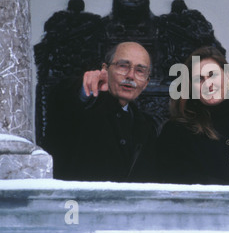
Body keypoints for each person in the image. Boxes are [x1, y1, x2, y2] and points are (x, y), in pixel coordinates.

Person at [153, 46, 229, 185]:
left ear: (227, 77)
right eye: (199, 79)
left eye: (212, 75)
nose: (208, 84)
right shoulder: (177, 130)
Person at [44, 41, 158, 182]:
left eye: (140, 71)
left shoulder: (148, 126)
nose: (130, 75)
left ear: (146, 83)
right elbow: (64, 100)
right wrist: (84, 88)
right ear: (105, 69)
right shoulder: (81, 106)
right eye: (123, 66)